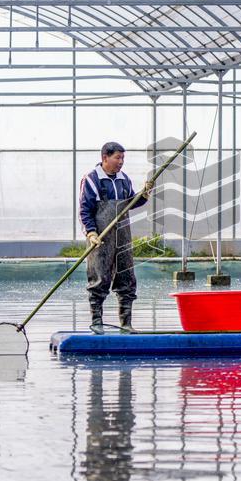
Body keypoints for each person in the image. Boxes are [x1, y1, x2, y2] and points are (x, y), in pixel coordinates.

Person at [79, 141, 153, 335]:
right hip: (100, 239)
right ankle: (97, 322)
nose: (121, 162)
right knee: (99, 278)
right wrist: (91, 233)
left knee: (126, 278)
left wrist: (144, 195)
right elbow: (85, 210)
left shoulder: (123, 180)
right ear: (105, 157)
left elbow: (130, 203)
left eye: (123, 158)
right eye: (117, 158)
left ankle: (126, 323)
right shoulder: (92, 180)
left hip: (123, 237)